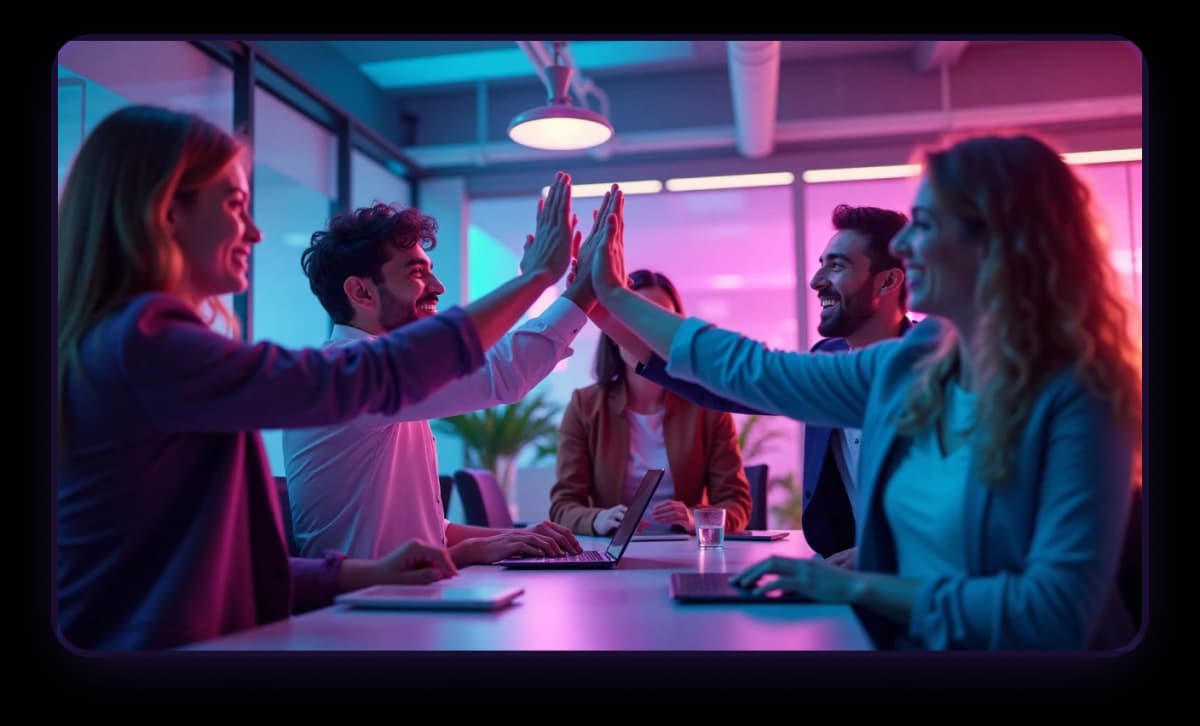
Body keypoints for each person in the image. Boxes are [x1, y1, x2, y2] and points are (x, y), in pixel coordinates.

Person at [591, 133, 1141, 649]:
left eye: (924, 223)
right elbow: (750, 371)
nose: (903, 244)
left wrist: (860, 586)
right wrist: (610, 299)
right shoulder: (913, 366)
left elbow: (1054, 612)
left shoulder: (1081, 394)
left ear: (997, 241)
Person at [56, 105, 573, 649]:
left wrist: (366, 573)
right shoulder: (146, 345)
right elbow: (372, 374)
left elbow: (237, 572)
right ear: (165, 214)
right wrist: (539, 278)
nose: (254, 233)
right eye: (234, 206)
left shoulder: (130, 344)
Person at [281, 188, 624, 564]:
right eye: (416, 272)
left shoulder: (392, 379)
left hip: (403, 604)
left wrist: (519, 536)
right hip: (360, 611)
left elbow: (431, 530)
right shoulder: (348, 374)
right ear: (361, 292)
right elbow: (503, 371)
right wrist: (572, 290)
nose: (438, 287)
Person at [598, 205, 910, 559]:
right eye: (822, 262)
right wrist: (600, 311)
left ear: (888, 280)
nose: (816, 280)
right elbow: (719, 386)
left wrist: (878, 556)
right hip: (853, 577)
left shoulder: (928, 369)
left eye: (837, 265)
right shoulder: (831, 358)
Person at [549, 265, 752, 537]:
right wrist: (598, 519)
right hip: (612, 558)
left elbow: (737, 504)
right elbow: (563, 506)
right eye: (637, 320)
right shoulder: (585, 407)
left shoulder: (708, 407)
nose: (648, 335)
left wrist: (694, 519)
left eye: (661, 322)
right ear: (613, 333)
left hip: (686, 554)